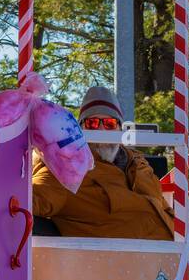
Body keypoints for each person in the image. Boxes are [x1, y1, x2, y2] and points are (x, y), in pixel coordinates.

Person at [32, 86, 176, 240]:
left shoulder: (139, 164)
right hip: (118, 260)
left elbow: (162, 209)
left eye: (109, 124)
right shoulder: (67, 168)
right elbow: (28, 199)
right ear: (80, 130)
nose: (100, 129)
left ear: (120, 129)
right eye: (92, 123)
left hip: (176, 252)